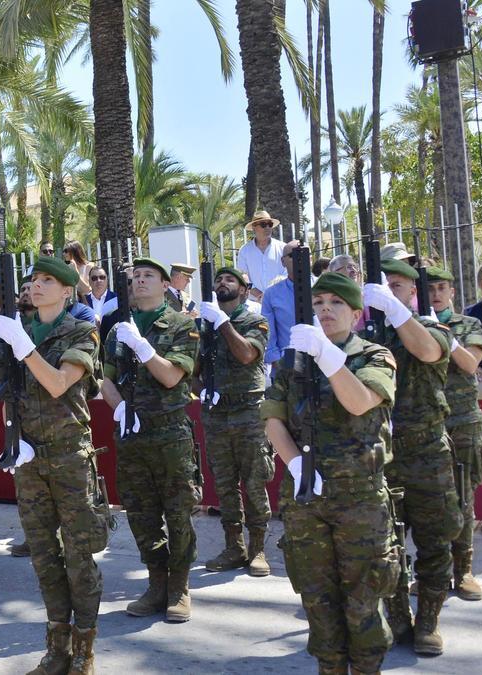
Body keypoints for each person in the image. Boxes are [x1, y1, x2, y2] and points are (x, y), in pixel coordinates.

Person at [263, 271, 399, 674]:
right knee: (317, 600)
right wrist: (295, 462)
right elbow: (272, 418)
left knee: (363, 601)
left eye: (336, 303)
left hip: (360, 499)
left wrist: (326, 354)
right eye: (318, 303)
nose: (326, 310)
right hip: (308, 498)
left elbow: (359, 402)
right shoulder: (292, 360)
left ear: (356, 314)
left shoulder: (375, 356)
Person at [0, 256, 107, 673]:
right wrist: (0, 351)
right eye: (33, 281)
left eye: (47, 281)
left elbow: (59, 383)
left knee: (79, 557)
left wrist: (22, 347)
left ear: (66, 290)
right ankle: (57, 646)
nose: (36, 287)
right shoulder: (19, 327)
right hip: (27, 455)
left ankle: (84, 651)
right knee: (43, 556)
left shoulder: (81, 329)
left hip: (68, 456)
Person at [364, 257, 459, 654]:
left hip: (427, 451)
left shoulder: (433, 326)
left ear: (413, 292)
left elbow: (426, 351)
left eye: (398, 285)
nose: (389, 289)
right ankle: (399, 618)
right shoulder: (368, 338)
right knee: (386, 543)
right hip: (382, 455)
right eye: (384, 284)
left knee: (436, 540)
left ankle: (429, 621)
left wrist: (394, 308)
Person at [101, 258, 199, 623]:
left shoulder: (180, 325)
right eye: (136, 276)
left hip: (170, 433)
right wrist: (120, 407)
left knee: (177, 512)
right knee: (141, 513)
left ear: (164, 284)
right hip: (131, 433)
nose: (140, 281)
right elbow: (105, 378)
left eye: (148, 276)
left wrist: (143, 347)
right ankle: (156, 584)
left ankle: (179, 587)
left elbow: (173, 377)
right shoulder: (116, 331)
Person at [196, 268, 273, 577]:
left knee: (254, 481)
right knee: (225, 483)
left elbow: (246, 355)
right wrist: (202, 391)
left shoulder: (255, 321)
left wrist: (222, 323)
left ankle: (258, 549)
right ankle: (234, 546)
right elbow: (192, 368)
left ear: (244, 290)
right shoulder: (205, 326)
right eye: (218, 280)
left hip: (248, 410)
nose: (222, 284)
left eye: (230, 280)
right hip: (217, 413)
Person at [429, 266, 482, 602]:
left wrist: (444, 335)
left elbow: (469, 364)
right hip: (428, 425)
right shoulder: (411, 327)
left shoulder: (469, 325)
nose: (436, 294)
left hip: (463, 422)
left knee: (463, 499)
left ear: (451, 291)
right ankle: (435, 572)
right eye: (430, 288)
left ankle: (462, 570)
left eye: (441, 287)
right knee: (430, 502)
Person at [260, 240, 303, 373]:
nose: (298, 258)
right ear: (283, 261)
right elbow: (269, 333)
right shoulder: (271, 294)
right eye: (292, 255)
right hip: (286, 367)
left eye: (303, 254)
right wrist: (278, 363)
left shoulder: (323, 288)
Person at [236, 210, 288, 302]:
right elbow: (243, 278)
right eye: (263, 224)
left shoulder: (283, 248)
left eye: (270, 224)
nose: (267, 227)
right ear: (254, 227)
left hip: (279, 299)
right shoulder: (244, 251)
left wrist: (270, 295)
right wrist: (261, 296)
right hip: (254, 303)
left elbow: (287, 273)